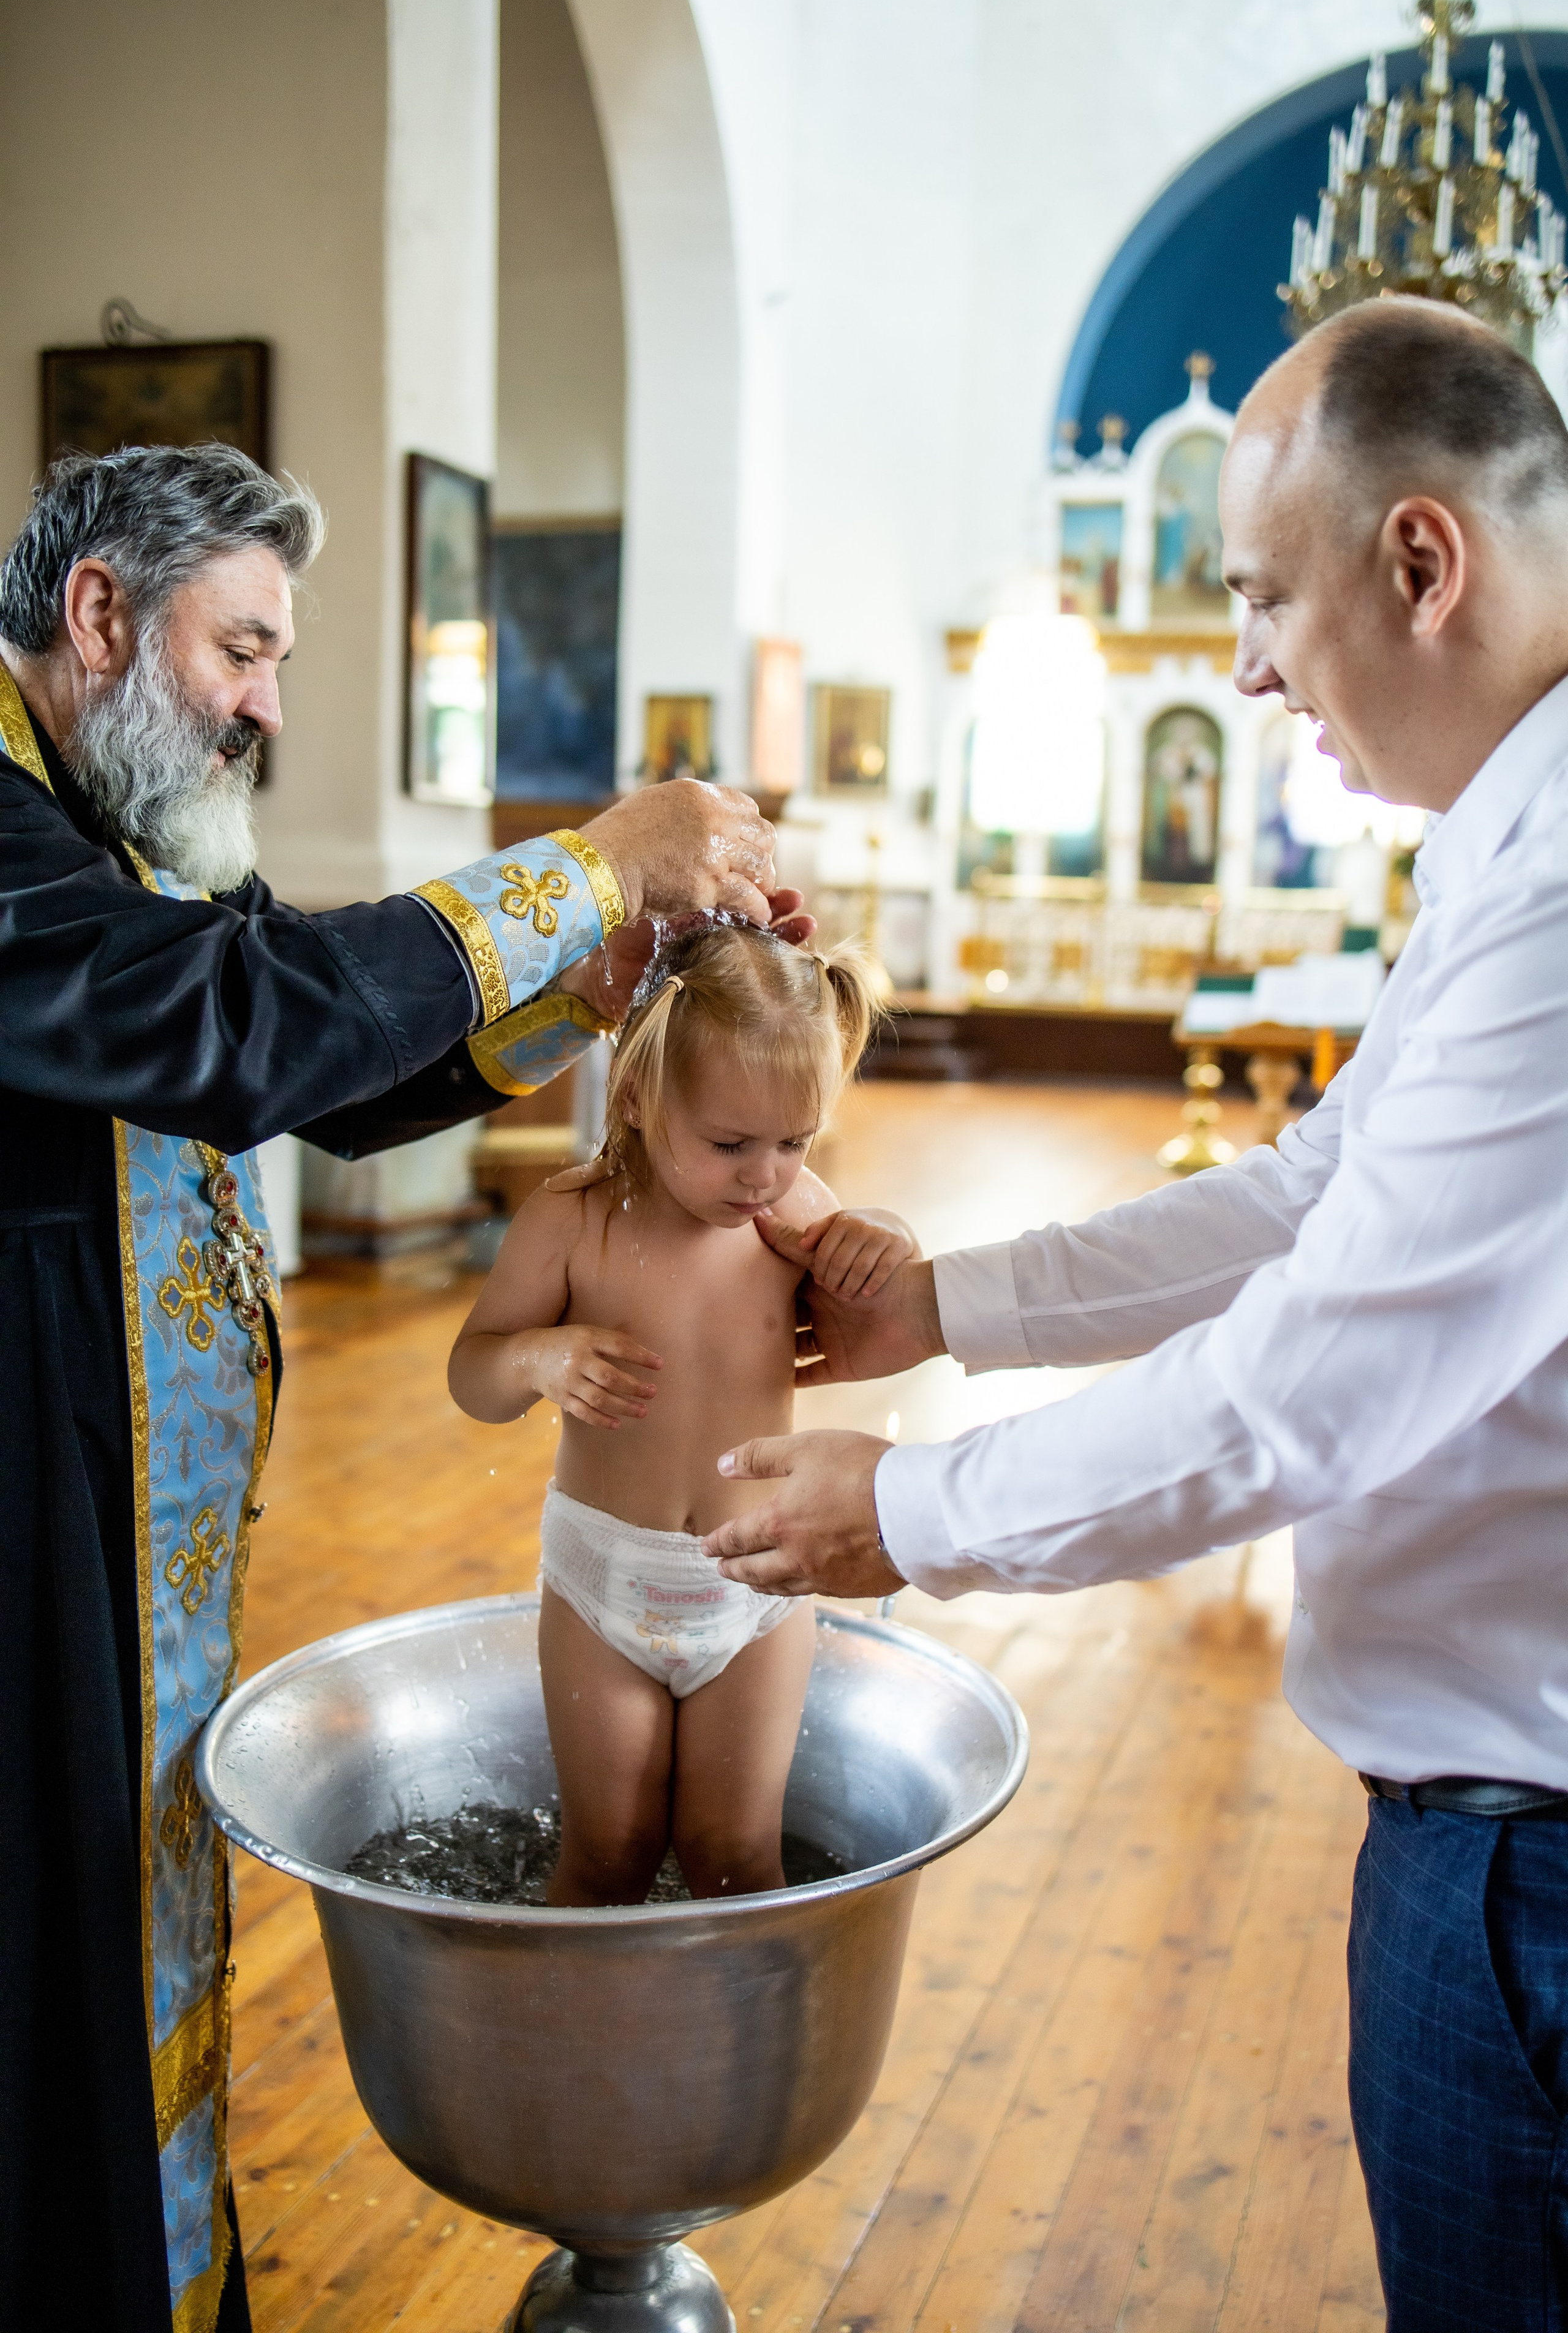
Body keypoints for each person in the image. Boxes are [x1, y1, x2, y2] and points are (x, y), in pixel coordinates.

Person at [704, 300, 1568, 2329]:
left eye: (1267, 596)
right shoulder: (1505, 849)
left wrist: (902, 1519)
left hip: (1534, 1859)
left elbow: (1312, 1393)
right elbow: (1318, 1189)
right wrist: (947, 1300)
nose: (1251, 665)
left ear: (1421, 561)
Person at [0, 442, 800, 2333]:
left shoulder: (112, 824)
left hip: (103, 1524)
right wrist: (593, 856)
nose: (271, 706)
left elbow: (329, 1068)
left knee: (108, 1949)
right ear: (102, 614)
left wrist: (602, 973)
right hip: (29, 1511)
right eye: (245, 650)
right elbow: (229, 1027)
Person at [448, 922, 914, 1905]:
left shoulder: (791, 1218)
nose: (765, 1176)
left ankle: (742, 2058)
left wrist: (885, 1235)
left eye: (797, 1141)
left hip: (755, 1585)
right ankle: (569, 2054)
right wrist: (540, 1356)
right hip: (601, 1582)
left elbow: (888, 1278)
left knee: (738, 1858)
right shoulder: (572, 1221)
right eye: (730, 1144)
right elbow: (473, 1377)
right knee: (605, 1853)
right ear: (637, 1095)